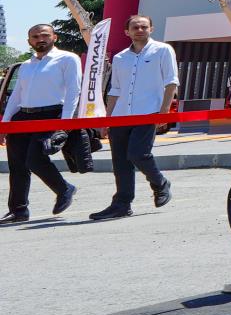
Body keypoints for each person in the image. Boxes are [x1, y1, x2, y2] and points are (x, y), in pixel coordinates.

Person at [88, 15, 177, 219]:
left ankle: (160, 183)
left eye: (144, 27)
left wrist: (164, 111)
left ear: (151, 29)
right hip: (121, 115)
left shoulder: (163, 50)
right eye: (135, 27)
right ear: (126, 32)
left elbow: (171, 82)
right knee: (120, 161)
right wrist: (108, 119)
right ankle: (121, 204)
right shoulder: (120, 58)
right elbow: (115, 90)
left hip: (148, 112)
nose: (140, 30)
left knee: (138, 154)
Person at [2, 24, 82, 223]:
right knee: (17, 165)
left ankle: (64, 189)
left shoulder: (67, 58)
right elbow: (17, 95)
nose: (40, 39)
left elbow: (74, 91)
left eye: (45, 35)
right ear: (29, 41)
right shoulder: (26, 65)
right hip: (23, 116)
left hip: (51, 114)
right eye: (35, 37)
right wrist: (5, 123)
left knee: (35, 159)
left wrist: (65, 122)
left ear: (54, 37)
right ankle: (18, 210)